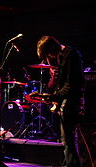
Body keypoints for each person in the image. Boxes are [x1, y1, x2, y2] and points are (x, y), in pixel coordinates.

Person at [36, 36, 85, 167]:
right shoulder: (63, 56)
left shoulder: (71, 55)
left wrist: (53, 97)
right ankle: (66, 163)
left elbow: (70, 85)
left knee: (68, 139)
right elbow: (63, 84)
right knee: (66, 139)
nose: (50, 57)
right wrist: (53, 97)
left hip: (72, 101)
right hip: (67, 101)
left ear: (52, 47)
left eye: (48, 53)